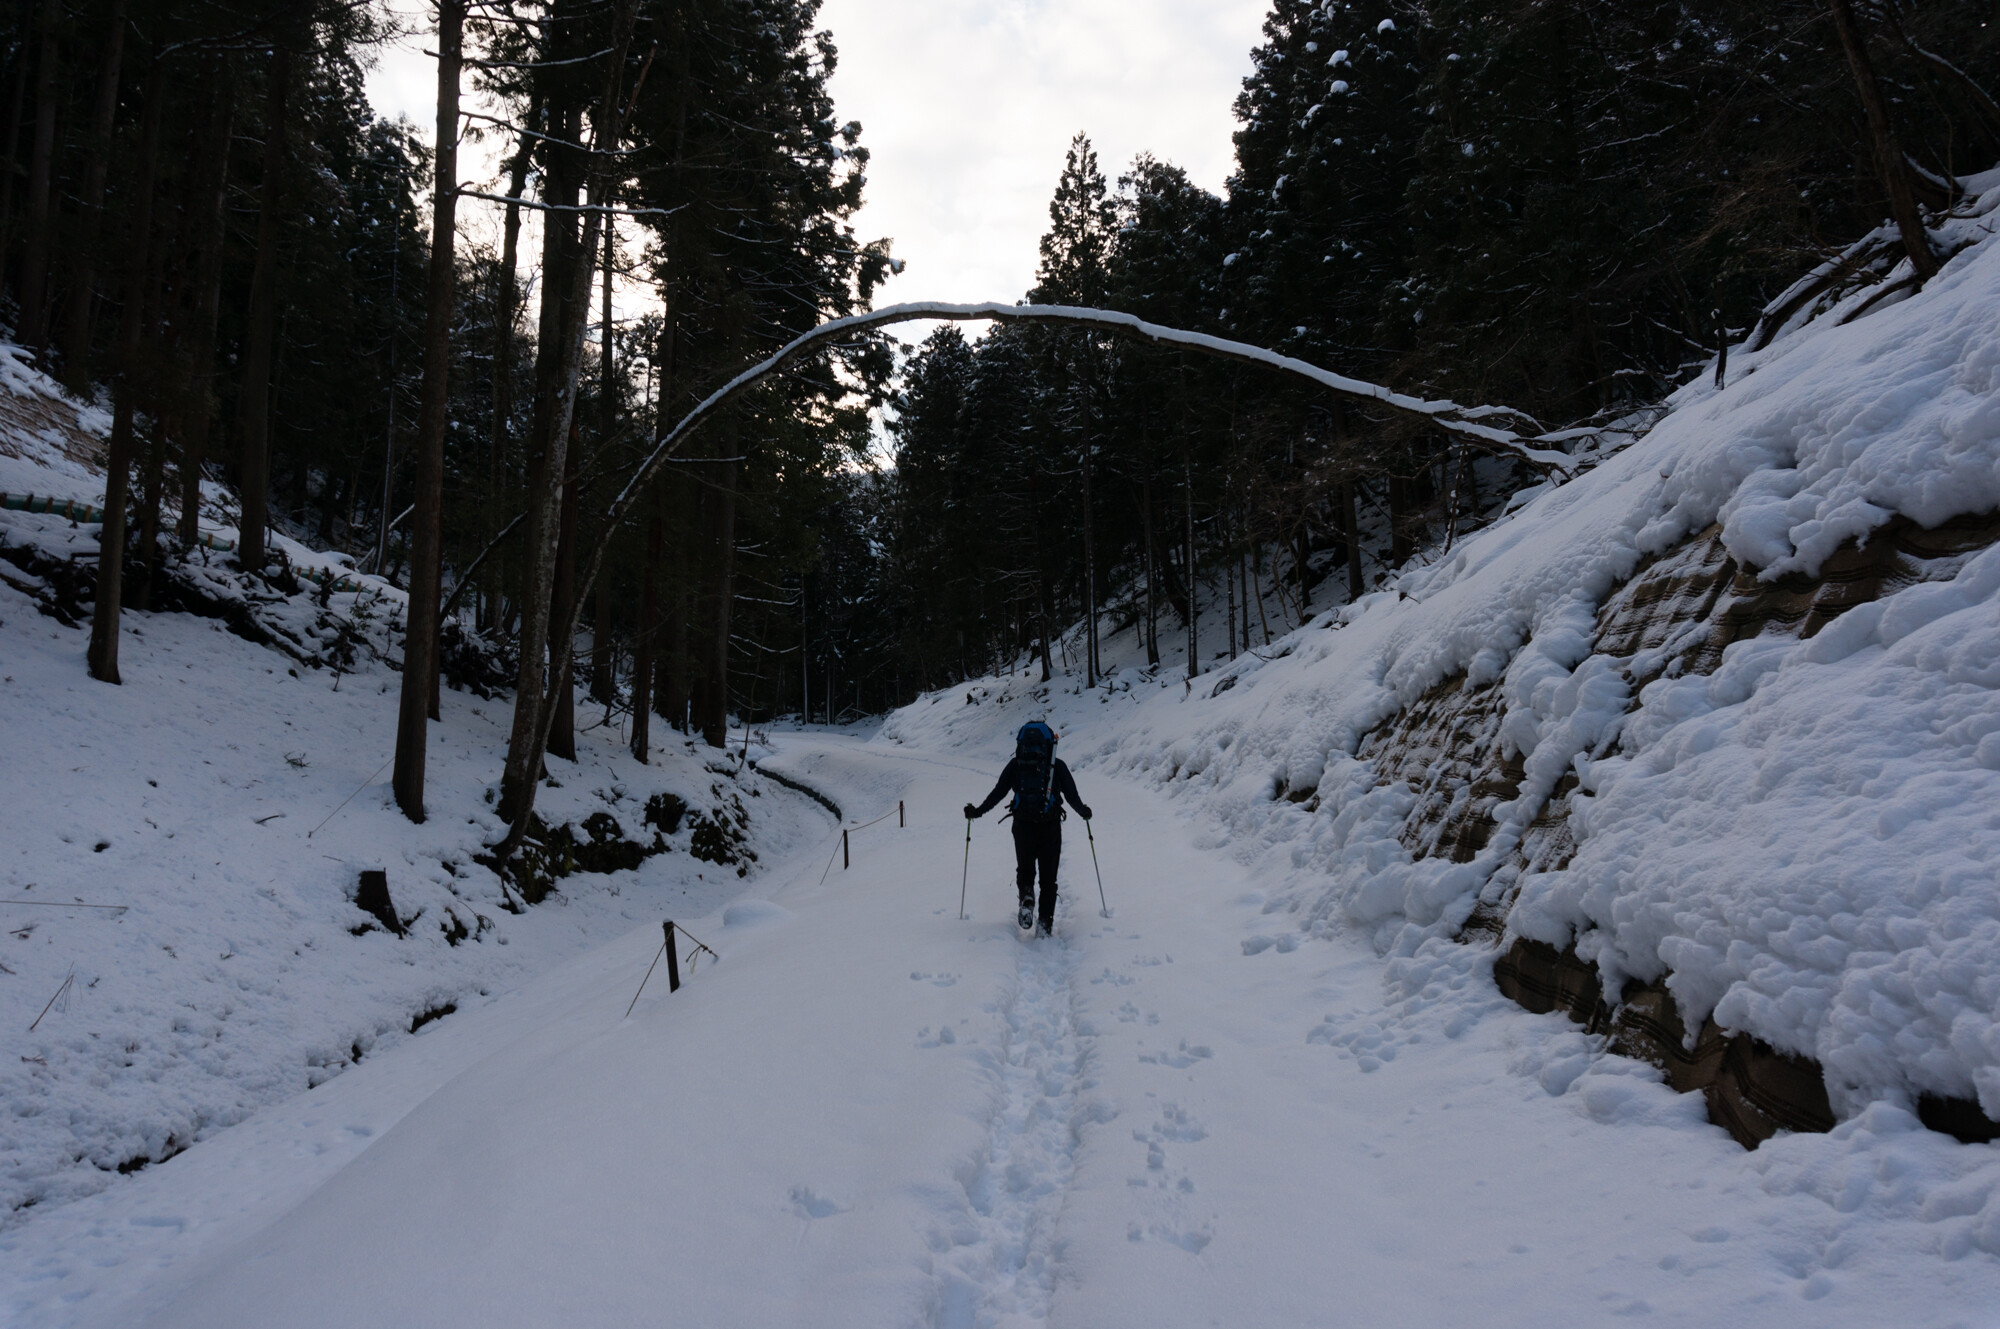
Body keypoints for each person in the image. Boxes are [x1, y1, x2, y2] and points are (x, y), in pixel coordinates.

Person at [964, 721, 1092, 936]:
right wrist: (1084, 811)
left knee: (1025, 870)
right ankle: (1044, 925)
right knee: (1048, 879)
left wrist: (977, 811)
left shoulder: (1015, 765)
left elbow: (998, 792)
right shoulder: (1056, 766)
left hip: (1022, 826)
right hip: (1050, 826)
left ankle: (1027, 897)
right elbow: (1072, 796)